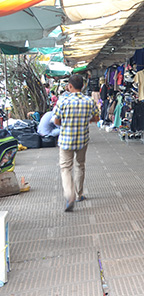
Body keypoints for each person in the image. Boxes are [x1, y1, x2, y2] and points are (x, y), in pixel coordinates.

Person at [53, 74, 100, 212]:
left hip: (66, 140)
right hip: (82, 139)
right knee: (80, 165)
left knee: (66, 168)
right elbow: (96, 118)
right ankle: (79, 194)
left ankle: (70, 196)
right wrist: (85, 120)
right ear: (83, 86)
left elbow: (56, 121)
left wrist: (66, 123)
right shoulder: (89, 101)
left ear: (70, 86)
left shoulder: (62, 101)